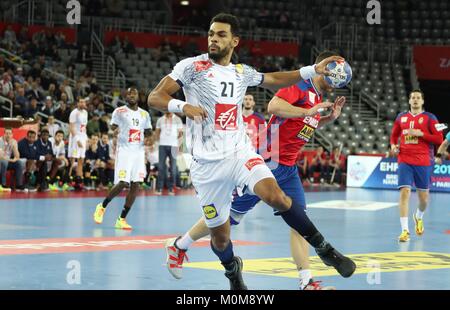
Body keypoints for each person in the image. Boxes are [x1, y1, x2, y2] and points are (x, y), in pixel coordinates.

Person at [148, 13, 355, 290]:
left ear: (234, 41)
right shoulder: (191, 67)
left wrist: (311, 69)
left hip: (240, 153)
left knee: (276, 197)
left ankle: (324, 250)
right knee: (221, 236)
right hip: (206, 166)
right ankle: (231, 270)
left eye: (221, 35)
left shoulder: (241, 72)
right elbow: (155, 97)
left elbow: (273, 79)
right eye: (211, 33)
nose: (213, 39)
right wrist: (182, 107)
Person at [93, 87, 152, 230]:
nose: (132, 95)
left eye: (134, 93)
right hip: (124, 150)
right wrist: (114, 133)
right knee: (123, 182)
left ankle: (122, 219)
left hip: (138, 152)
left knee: (136, 185)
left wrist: (149, 140)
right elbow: (113, 127)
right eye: (129, 93)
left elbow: (149, 131)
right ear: (125, 97)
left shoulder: (145, 114)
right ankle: (102, 206)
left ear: (139, 96)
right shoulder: (119, 111)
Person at [390, 90, 443, 242]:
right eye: (413, 97)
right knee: (405, 192)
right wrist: (393, 146)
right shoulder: (401, 117)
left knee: (424, 199)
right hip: (404, 159)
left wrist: (421, 134)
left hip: (424, 161)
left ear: (422, 101)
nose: (415, 100)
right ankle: (405, 231)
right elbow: (394, 136)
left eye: (418, 98)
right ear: (409, 100)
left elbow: (439, 139)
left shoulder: (430, 118)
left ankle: (418, 216)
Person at [155, 112, 183, 195]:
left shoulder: (177, 119)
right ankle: (159, 188)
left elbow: (180, 134)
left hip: (174, 146)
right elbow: (157, 132)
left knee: (173, 168)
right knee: (161, 167)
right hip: (162, 145)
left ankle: (171, 188)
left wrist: (180, 148)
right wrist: (157, 144)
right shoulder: (160, 119)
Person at [69, 98, 89, 191]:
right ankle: (67, 181)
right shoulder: (74, 113)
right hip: (75, 138)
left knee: (81, 159)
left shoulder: (85, 112)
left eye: (83, 101)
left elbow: (84, 127)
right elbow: (72, 127)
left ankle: (78, 182)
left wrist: (86, 138)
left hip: (83, 136)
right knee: (73, 160)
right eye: (80, 101)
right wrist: (77, 139)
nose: (82, 103)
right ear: (77, 103)